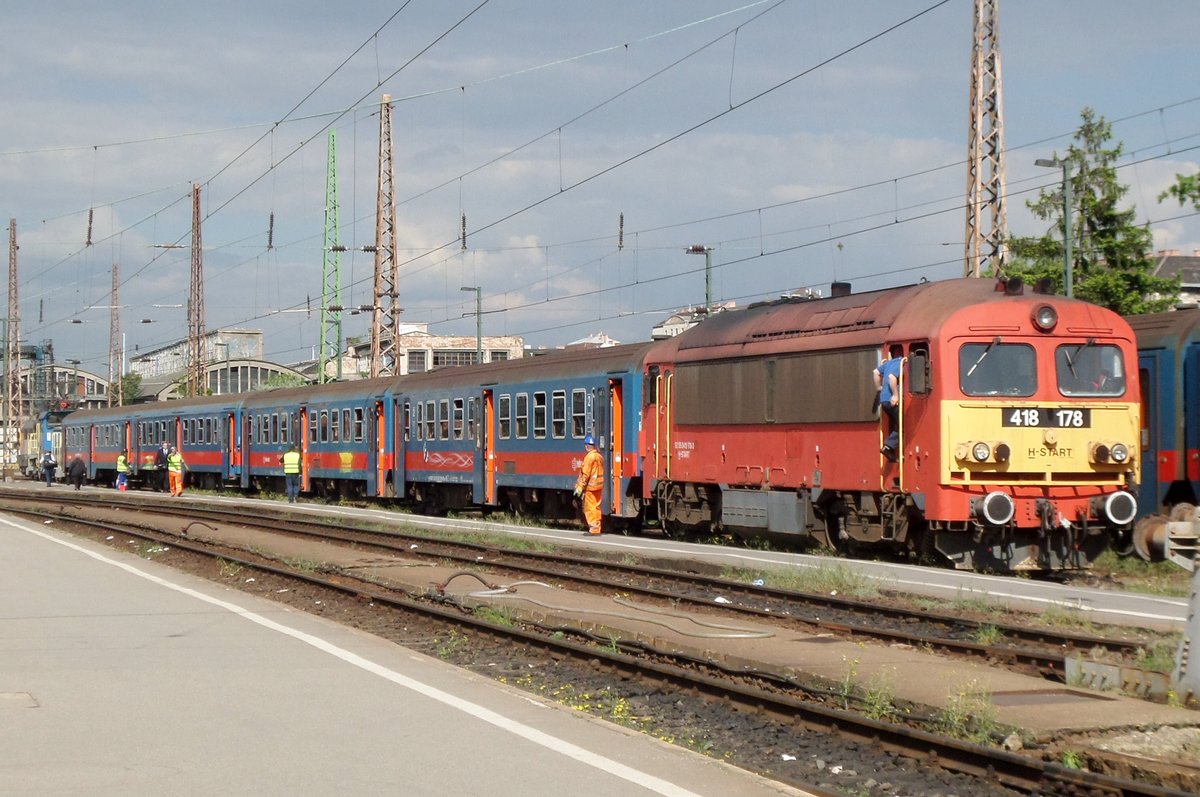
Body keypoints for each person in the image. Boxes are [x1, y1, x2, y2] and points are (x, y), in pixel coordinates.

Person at [873, 344, 903, 462]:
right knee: (903, 426)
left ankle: (891, 450)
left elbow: (875, 372)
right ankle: (888, 447)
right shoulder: (900, 363)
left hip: (884, 400)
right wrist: (895, 394)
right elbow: (891, 377)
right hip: (892, 400)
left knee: (894, 424)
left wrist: (878, 388)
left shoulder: (889, 363)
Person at [573, 433, 604, 536]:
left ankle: (594, 530)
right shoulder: (599, 456)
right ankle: (597, 528)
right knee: (597, 507)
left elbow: (585, 474)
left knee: (590, 508)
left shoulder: (588, 457)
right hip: (599, 486)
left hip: (591, 487)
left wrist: (580, 487)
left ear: (587, 446)